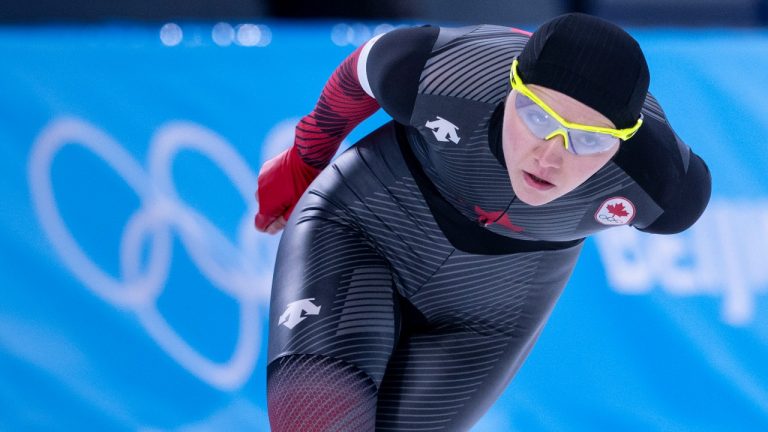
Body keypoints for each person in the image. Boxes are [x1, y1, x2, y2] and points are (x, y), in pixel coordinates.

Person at [256, 13, 711, 431]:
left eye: (587, 140)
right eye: (536, 116)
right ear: (510, 88)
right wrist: (304, 157)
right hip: (367, 227)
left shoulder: (664, 185)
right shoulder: (446, 72)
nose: (550, 155)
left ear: (621, 145)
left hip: (492, 307)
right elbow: (359, 71)